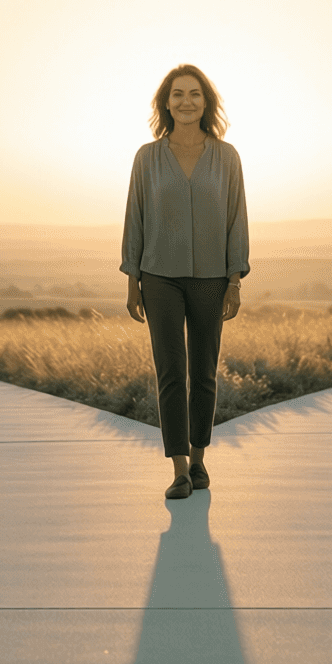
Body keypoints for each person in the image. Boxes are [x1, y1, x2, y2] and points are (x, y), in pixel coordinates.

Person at [120, 64, 250, 499]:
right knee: (171, 371)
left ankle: (199, 461)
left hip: (212, 278)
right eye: (177, 94)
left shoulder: (227, 157)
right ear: (166, 102)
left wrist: (235, 278)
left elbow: (237, 219)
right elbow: (135, 218)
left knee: (205, 372)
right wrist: (132, 278)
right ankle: (178, 469)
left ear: (206, 102)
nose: (186, 101)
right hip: (159, 276)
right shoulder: (147, 158)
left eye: (194, 94)